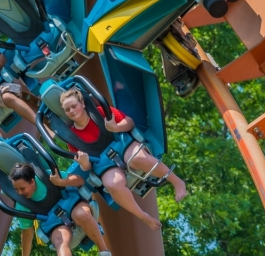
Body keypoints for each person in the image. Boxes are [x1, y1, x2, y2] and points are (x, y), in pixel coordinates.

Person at [57, 87, 187, 232]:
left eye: (74, 106)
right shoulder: (72, 138)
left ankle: (177, 181)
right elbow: (86, 167)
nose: (72, 111)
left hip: (122, 145)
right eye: (67, 110)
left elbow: (129, 122)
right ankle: (142, 215)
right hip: (103, 163)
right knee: (112, 184)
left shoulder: (100, 112)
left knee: (137, 158)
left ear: (83, 103)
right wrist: (84, 163)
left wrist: (116, 127)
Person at [12, 163, 113, 256]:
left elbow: (79, 180)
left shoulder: (46, 175)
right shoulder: (22, 204)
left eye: (22, 188)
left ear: (32, 181)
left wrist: (60, 181)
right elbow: (27, 233)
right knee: (60, 239)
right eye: (16, 190)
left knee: (81, 215)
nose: (20, 193)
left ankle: (104, 252)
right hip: (55, 222)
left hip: (73, 205)